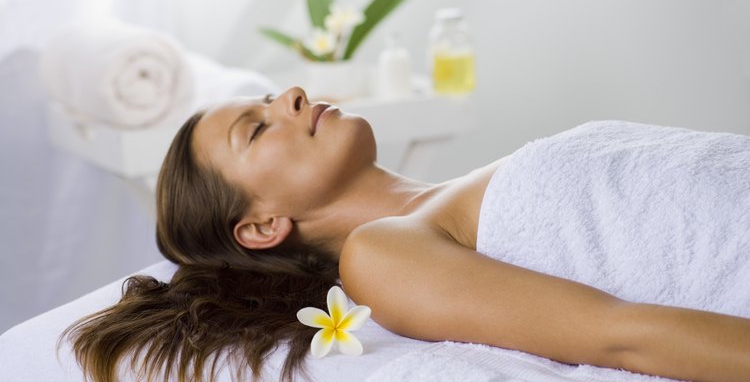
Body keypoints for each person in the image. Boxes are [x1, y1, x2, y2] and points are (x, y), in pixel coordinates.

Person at [62, 86, 750, 382]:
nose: (293, 97)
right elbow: (618, 333)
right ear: (263, 225)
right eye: (259, 125)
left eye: (271, 97)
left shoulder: (463, 188)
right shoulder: (382, 256)